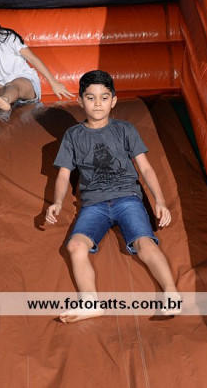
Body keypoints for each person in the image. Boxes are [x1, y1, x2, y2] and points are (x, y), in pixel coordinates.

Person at [45, 70, 181, 323]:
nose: (98, 103)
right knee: (75, 245)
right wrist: (57, 202)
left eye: (104, 97)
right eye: (91, 98)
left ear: (114, 101)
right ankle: (90, 303)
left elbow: (146, 168)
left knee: (145, 244)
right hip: (93, 203)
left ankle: (171, 293)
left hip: (127, 198)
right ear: (80, 101)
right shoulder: (73, 136)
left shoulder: (125, 129)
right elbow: (63, 174)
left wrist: (159, 200)